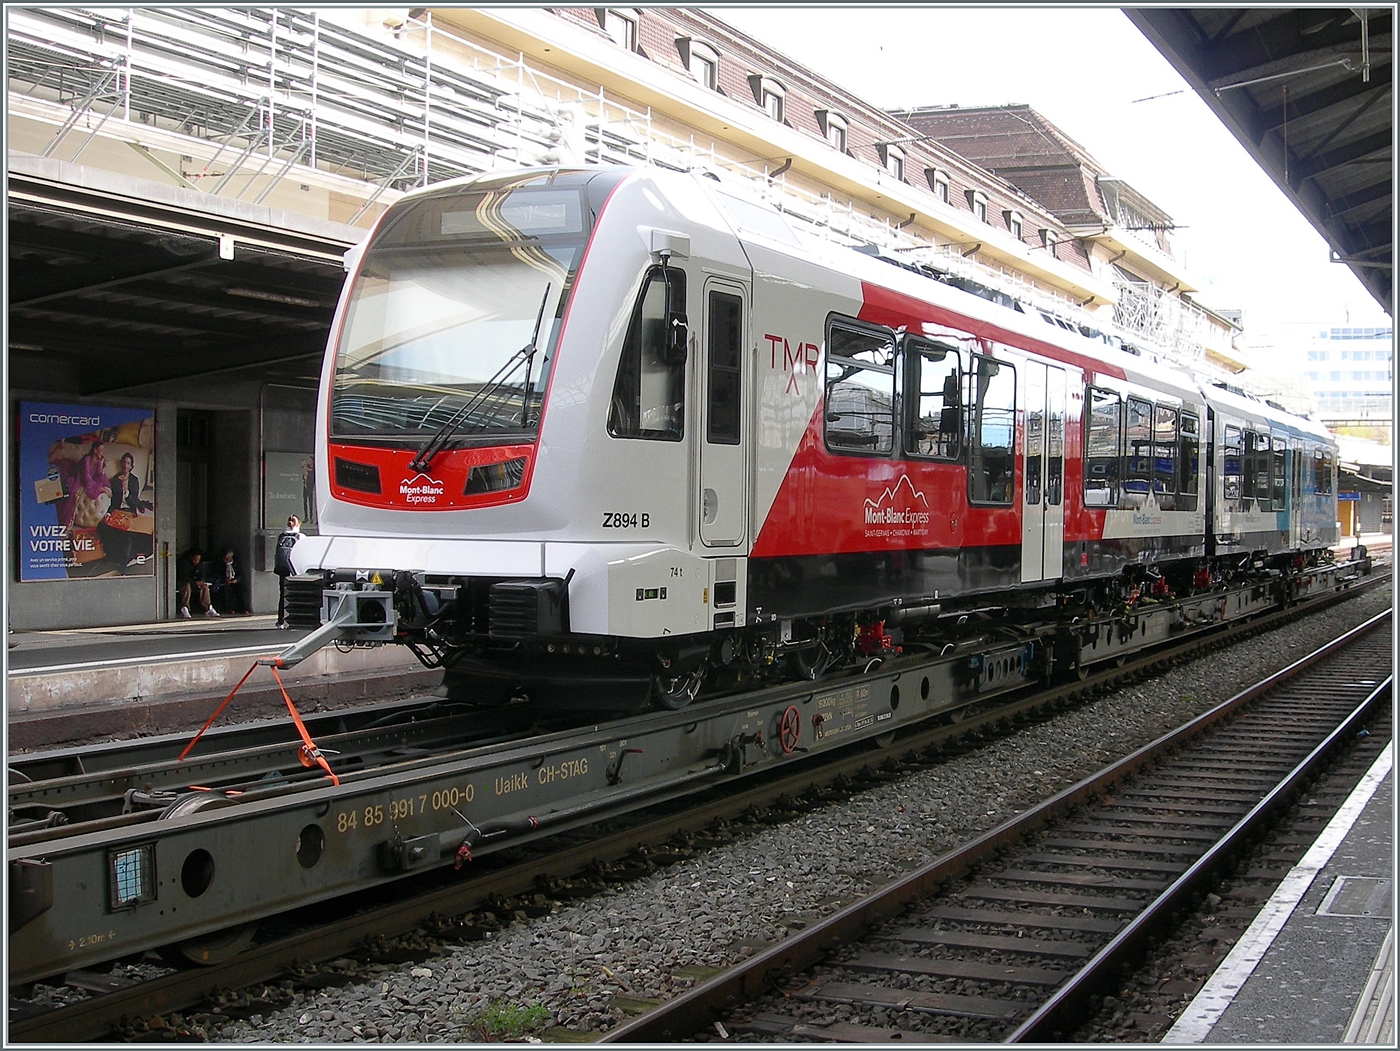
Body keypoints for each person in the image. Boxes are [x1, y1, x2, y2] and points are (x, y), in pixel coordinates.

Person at [101, 452, 153, 570]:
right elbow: (113, 501)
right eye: (124, 462)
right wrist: (108, 513)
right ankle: (111, 556)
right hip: (118, 510)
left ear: (131, 466)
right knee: (103, 526)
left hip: (129, 511)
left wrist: (126, 492)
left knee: (127, 534)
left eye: (128, 463)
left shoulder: (134, 480)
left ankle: (124, 562)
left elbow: (135, 502)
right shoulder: (115, 479)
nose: (125, 465)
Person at [274, 515, 302, 628]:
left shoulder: (282, 536)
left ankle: (280, 621)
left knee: (283, 595)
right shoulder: (300, 536)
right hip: (295, 569)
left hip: (283, 569)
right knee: (296, 594)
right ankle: (295, 619)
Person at [175, 549, 218, 619]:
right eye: (195, 560)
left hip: (194, 583)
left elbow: (202, 574)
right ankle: (185, 607)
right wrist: (194, 582)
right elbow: (183, 576)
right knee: (186, 587)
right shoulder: (183, 563)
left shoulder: (199, 564)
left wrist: (201, 581)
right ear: (191, 557)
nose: (196, 561)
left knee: (204, 587)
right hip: (183, 583)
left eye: (198, 560)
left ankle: (208, 608)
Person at [208, 547, 251, 615]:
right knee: (226, 590)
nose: (228, 559)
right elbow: (216, 574)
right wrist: (224, 579)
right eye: (226, 558)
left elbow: (240, 574)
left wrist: (236, 580)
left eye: (229, 558)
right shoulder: (219, 563)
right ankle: (229, 608)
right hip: (223, 582)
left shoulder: (236, 563)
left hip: (234, 581)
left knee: (240, 589)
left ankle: (243, 608)